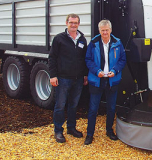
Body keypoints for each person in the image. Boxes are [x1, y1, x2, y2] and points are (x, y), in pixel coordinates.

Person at [84, 19, 126, 145]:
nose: (105, 33)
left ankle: (109, 131)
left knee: (111, 108)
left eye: (107, 30)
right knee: (93, 109)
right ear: (99, 31)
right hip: (97, 80)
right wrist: (97, 71)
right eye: (102, 30)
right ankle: (89, 134)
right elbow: (88, 60)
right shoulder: (93, 43)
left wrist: (116, 70)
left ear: (111, 30)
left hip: (112, 80)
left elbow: (122, 60)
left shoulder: (118, 43)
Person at [48, 13, 88, 143]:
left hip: (78, 79)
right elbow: (52, 58)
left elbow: (84, 59)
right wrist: (53, 76)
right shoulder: (59, 39)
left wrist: (85, 75)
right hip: (63, 78)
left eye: (75, 23)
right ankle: (58, 131)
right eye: (71, 22)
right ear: (66, 23)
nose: (73, 25)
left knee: (73, 105)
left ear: (78, 24)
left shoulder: (82, 39)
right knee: (60, 105)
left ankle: (71, 128)